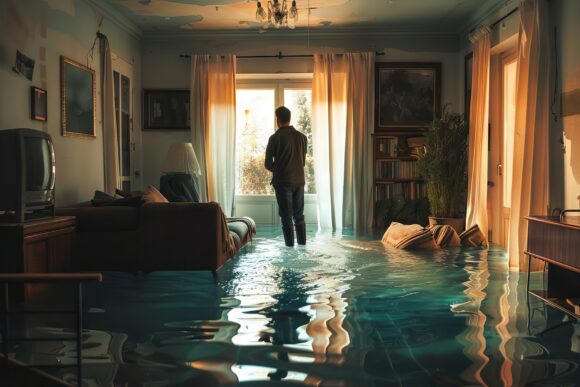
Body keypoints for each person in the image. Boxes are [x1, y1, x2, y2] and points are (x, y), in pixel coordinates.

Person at [265, 106, 307, 246]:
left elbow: (267, 164)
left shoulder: (274, 138)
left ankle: (289, 250)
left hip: (283, 183)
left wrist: (279, 170)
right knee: (299, 217)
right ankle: (302, 246)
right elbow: (303, 162)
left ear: (278, 119)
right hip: (299, 181)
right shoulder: (302, 137)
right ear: (289, 118)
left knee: (286, 219)